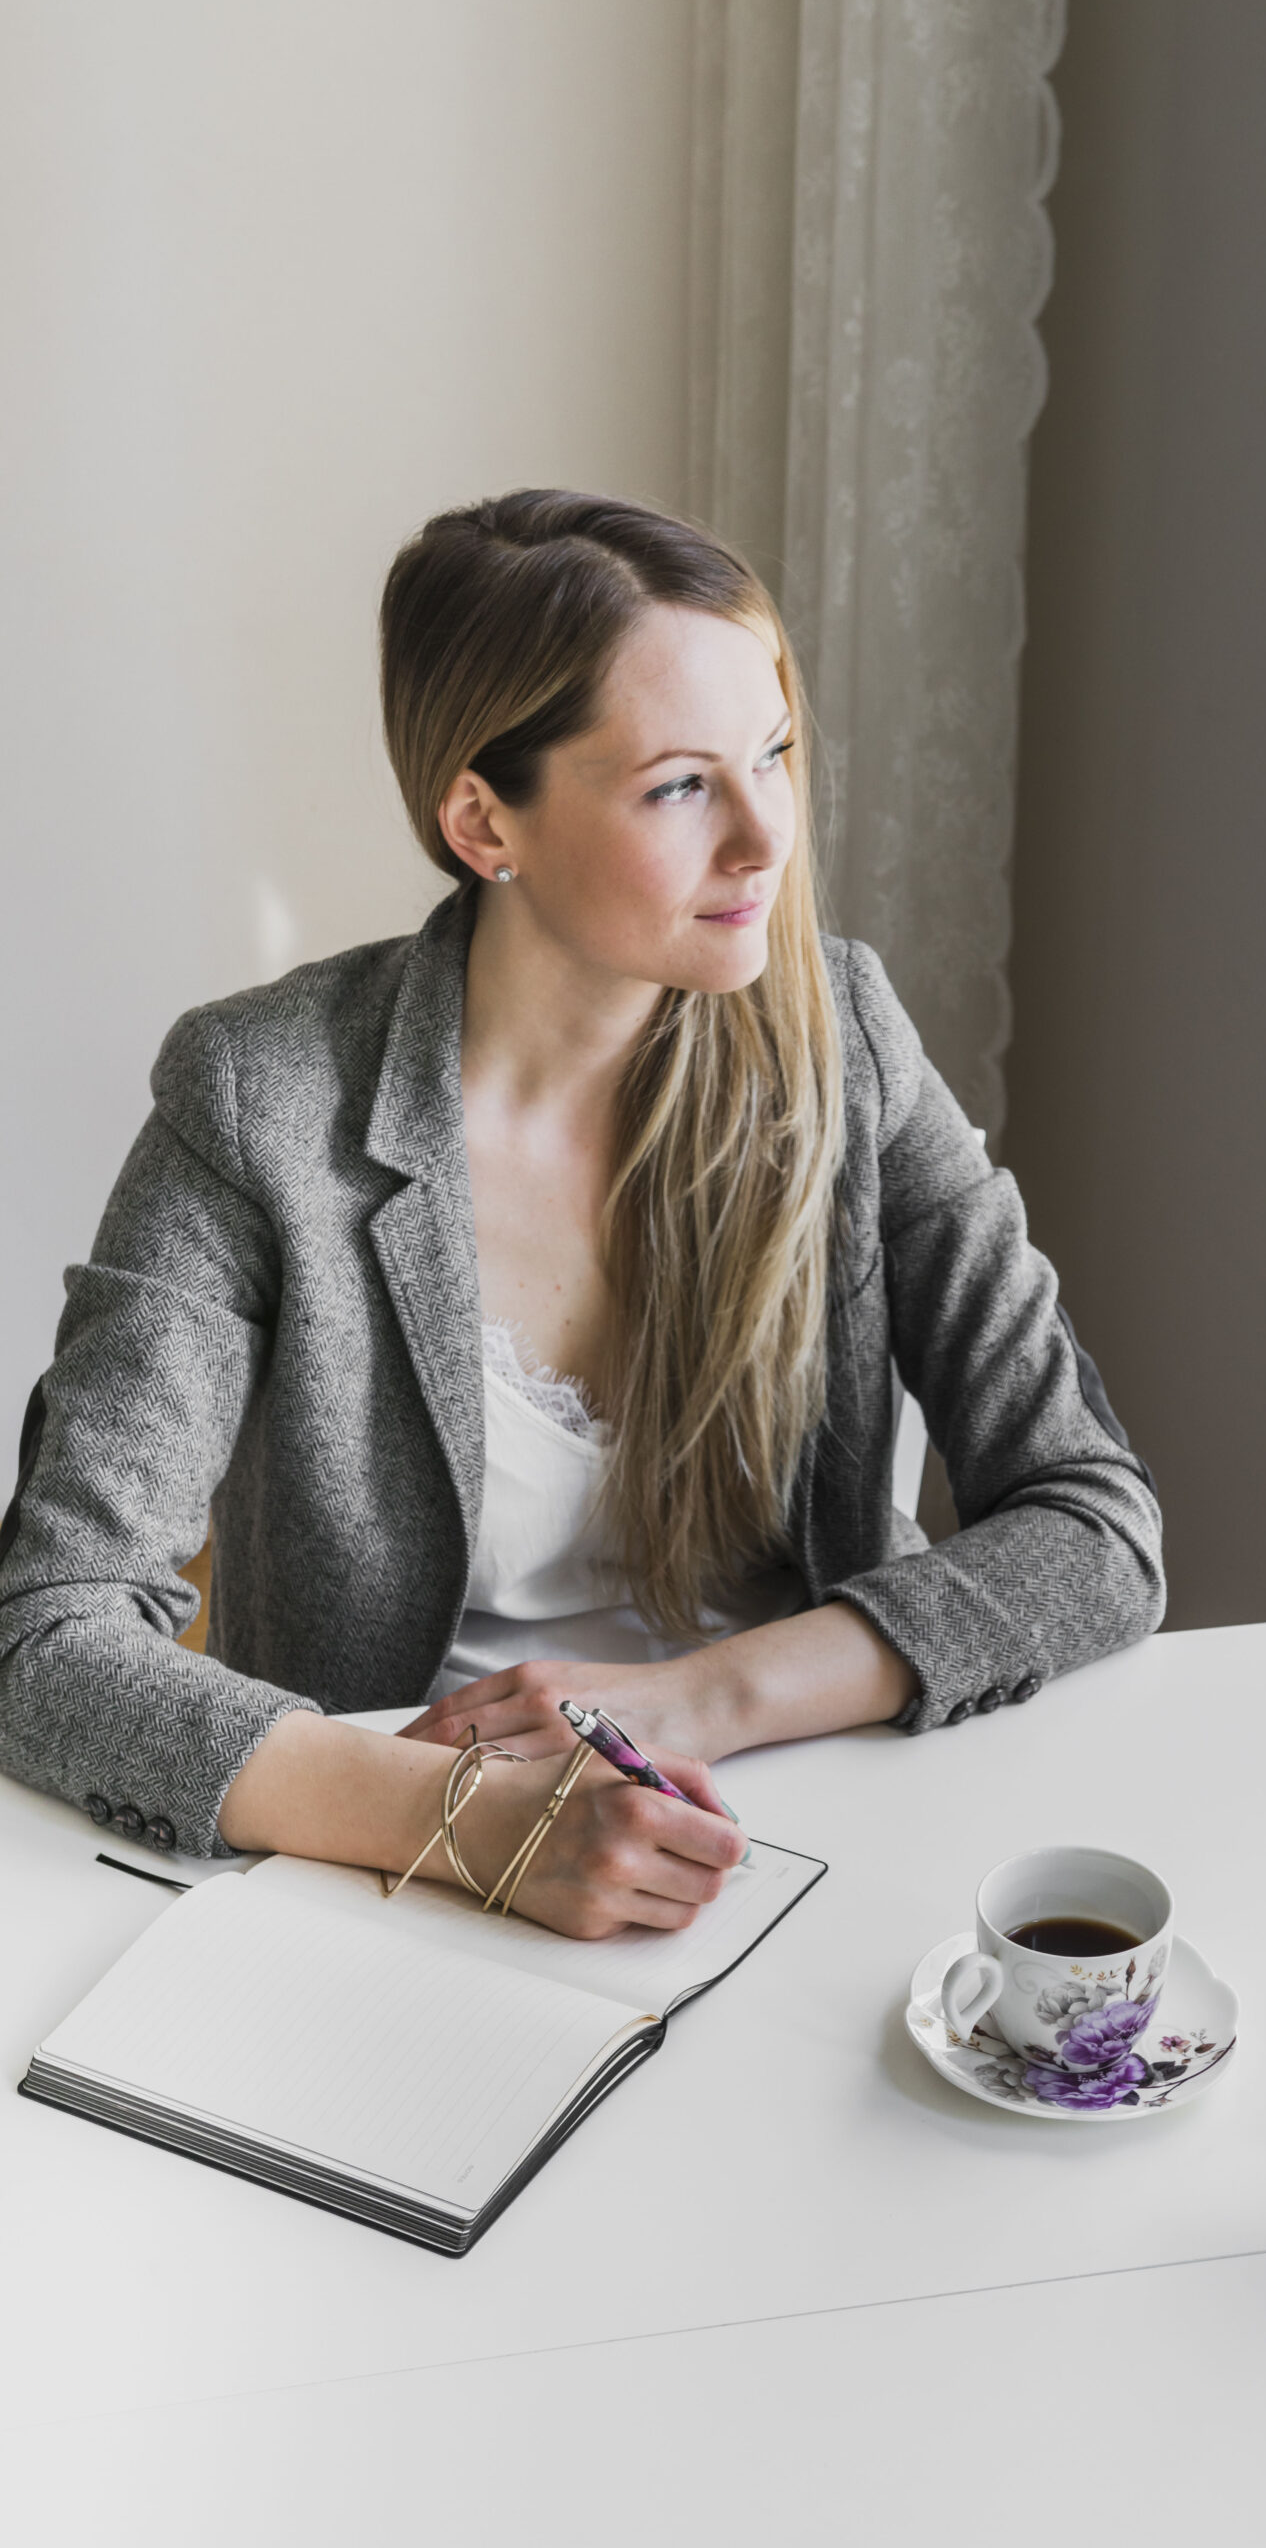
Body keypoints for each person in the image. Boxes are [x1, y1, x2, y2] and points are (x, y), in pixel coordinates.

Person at [0, 491, 1163, 1938]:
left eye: (775, 755)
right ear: (486, 818)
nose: (763, 840)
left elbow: (1094, 1523)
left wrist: (698, 1699)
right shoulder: (262, 1099)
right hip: (402, 1858)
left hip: (804, 1811)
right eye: (681, 785)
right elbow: (49, 1637)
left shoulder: (846, 1040)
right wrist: (490, 1831)